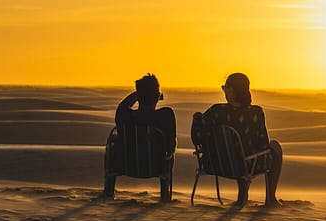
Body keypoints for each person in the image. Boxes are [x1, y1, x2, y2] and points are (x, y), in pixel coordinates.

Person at [195, 72, 282, 206]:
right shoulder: (255, 113)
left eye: (226, 87)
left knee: (241, 154)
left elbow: (198, 137)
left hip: (214, 165)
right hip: (244, 166)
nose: (224, 90)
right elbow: (263, 145)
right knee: (274, 146)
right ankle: (270, 198)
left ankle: (243, 196)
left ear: (234, 91)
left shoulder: (215, 111)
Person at [103, 74, 177, 199]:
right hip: (156, 166)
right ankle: (165, 194)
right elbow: (171, 146)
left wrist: (138, 94)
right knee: (170, 155)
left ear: (138, 96)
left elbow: (121, 106)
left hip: (125, 165)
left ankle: (108, 191)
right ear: (156, 97)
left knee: (112, 142)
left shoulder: (125, 115)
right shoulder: (165, 116)